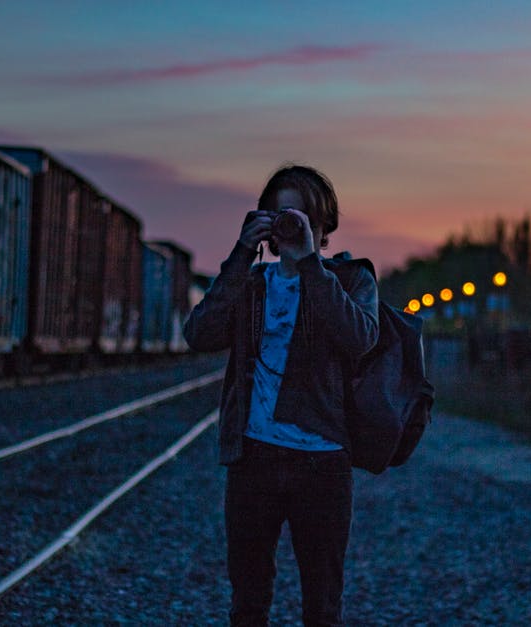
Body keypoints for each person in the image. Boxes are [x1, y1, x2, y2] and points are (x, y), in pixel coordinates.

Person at [184, 164, 379, 626]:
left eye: (300, 215)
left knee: (322, 606)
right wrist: (241, 253)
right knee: (248, 604)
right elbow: (199, 333)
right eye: (279, 214)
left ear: (322, 224)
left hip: (323, 465)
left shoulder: (353, 280)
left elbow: (360, 340)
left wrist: (310, 263)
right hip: (253, 459)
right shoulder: (251, 284)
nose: (289, 223)